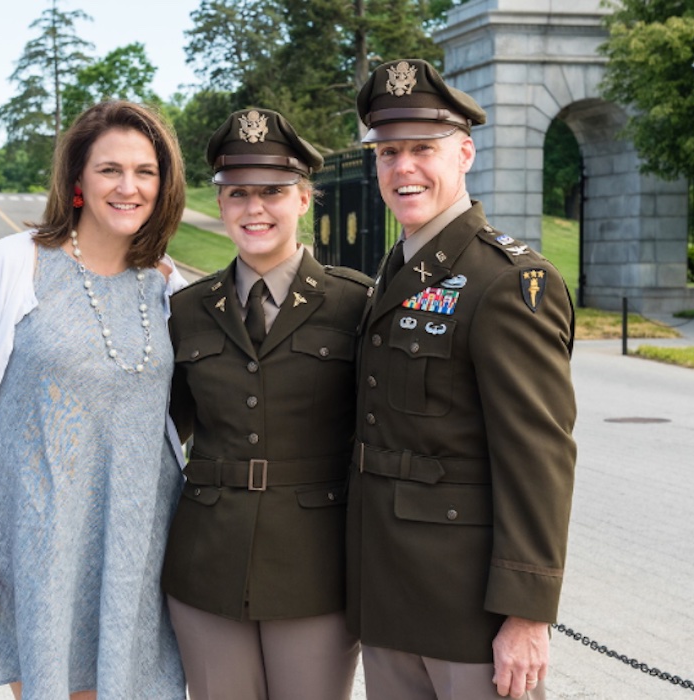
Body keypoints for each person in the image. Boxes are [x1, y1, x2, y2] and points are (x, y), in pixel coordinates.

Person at [0, 100, 189, 700]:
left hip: (138, 542)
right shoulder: (14, 266)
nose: (129, 187)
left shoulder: (171, 287)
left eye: (145, 171)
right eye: (109, 170)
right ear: (77, 181)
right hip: (34, 539)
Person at [347, 59, 578, 700]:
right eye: (389, 151)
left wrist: (527, 614)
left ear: (465, 153)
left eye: (424, 148)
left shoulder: (506, 281)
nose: (404, 167)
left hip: (469, 613)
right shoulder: (395, 269)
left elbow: (538, 456)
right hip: (389, 597)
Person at [161, 108, 370, 700]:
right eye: (238, 194)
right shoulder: (186, 310)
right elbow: (156, 429)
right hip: (207, 564)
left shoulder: (353, 305)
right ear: (220, 203)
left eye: (273, 192)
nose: (255, 209)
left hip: (316, 567)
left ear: (305, 199)